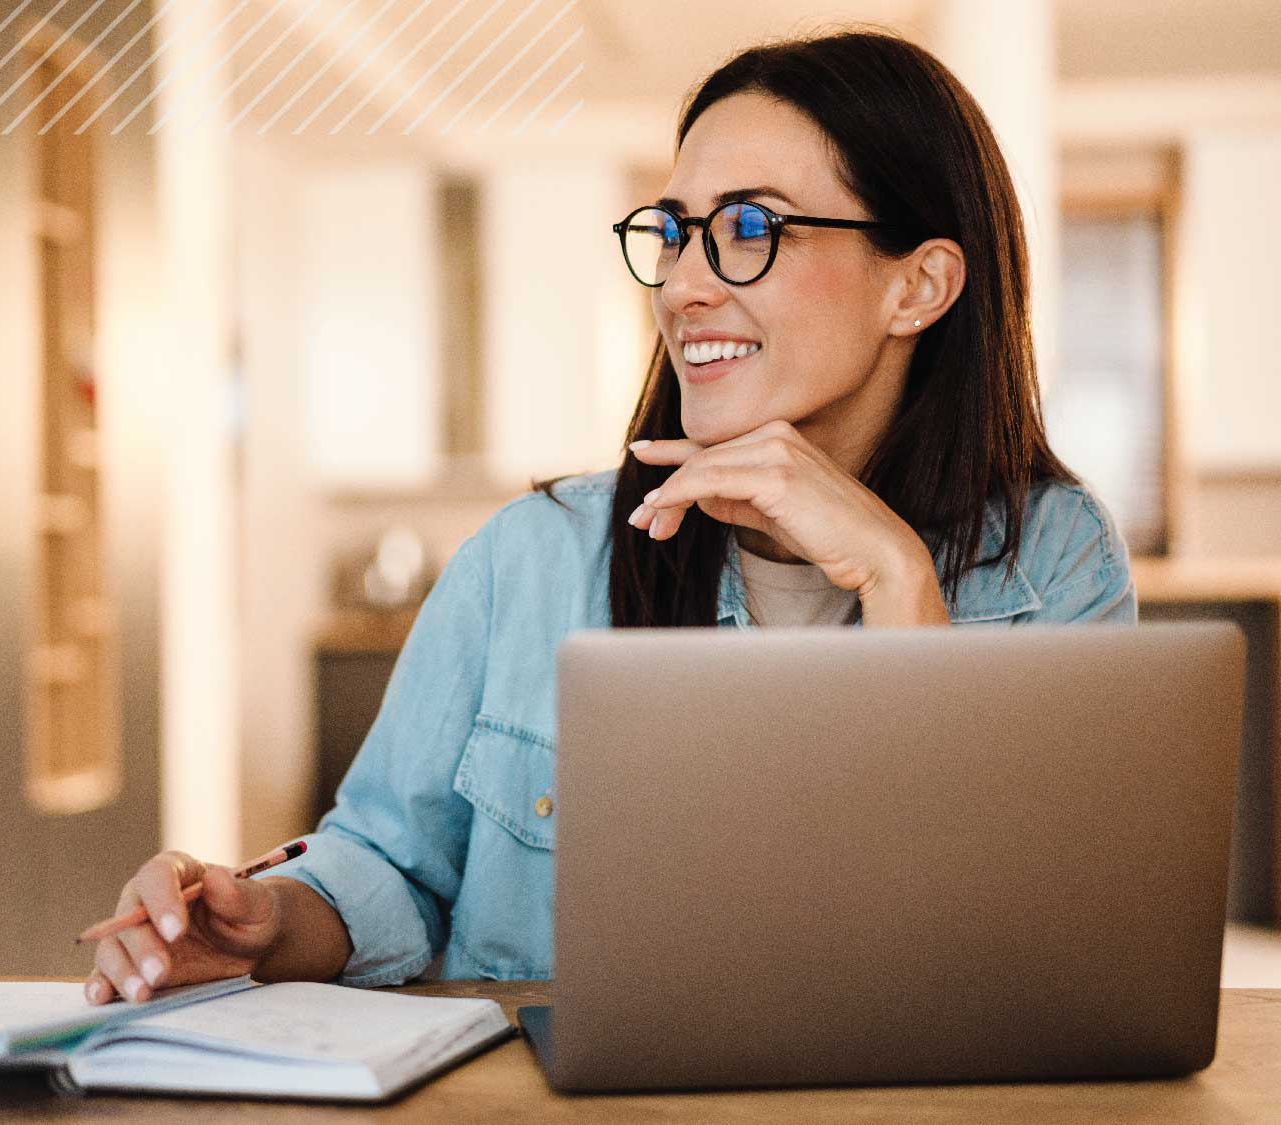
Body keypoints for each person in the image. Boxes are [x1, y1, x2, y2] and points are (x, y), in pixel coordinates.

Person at [85, 29, 1136, 1005]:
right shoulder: (531, 557)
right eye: (675, 232)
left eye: (748, 229)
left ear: (918, 287)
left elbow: (1046, 954)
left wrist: (897, 581)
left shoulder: (1054, 559)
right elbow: (388, 869)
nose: (682, 284)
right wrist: (265, 923)